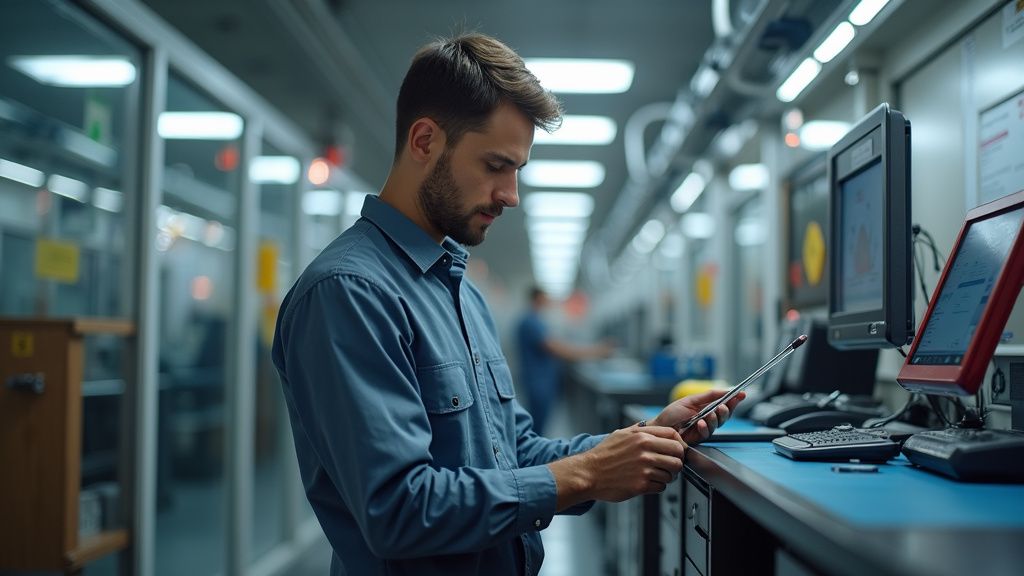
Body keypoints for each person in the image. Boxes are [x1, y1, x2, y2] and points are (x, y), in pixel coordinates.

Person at [271, 31, 743, 576]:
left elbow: (513, 450)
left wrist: (637, 442)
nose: (510, 194)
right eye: (496, 165)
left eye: (516, 170)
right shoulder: (350, 294)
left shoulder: (461, 293)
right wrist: (587, 473)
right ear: (424, 141)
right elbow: (399, 510)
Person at [517, 286, 613, 435]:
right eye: (546, 297)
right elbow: (559, 349)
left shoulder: (537, 321)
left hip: (543, 383)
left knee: (539, 427)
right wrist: (596, 351)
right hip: (538, 385)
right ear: (537, 298)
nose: (549, 301)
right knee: (535, 430)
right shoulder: (531, 322)